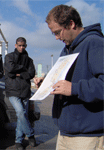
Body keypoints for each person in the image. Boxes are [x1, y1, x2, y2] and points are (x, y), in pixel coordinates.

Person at [35, 4, 104, 150]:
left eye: (58, 32)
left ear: (71, 24)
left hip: (87, 136)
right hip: (65, 132)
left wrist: (74, 88)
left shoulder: (95, 43)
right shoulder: (66, 49)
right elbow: (61, 77)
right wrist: (46, 82)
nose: (56, 37)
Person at [4, 37, 36, 150]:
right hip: (13, 90)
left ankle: (18, 141)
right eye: (19, 45)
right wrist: (23, 69)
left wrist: (19, 74)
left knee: (21, 116)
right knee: (20, 112)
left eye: (23, 46)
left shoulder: (30, 60)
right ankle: (31, 134)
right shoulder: (9, 57)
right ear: (15, 45)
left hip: (25, 91)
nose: (21, 47)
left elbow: (31, 73)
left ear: (25, 46)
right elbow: (10, 70)